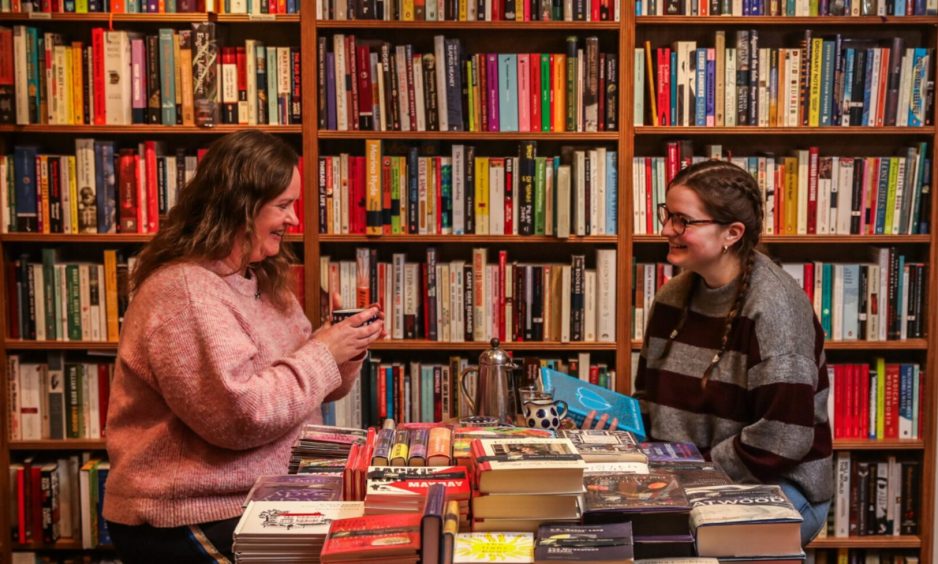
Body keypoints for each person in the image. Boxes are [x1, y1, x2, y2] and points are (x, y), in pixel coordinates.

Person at [103, 130, 384, 563]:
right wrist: (323, 353)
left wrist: (345, 349)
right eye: (283, 206)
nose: (294, 221)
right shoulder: (185, 292)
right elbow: (240, 416)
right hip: (188, 516)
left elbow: (308, 390)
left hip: (261, 499)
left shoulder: (262, 280)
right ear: (241, 207)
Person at [587, 159, 833, 546]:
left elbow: (782, 441)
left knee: (663, 544)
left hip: (775, 486)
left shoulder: (776, 308)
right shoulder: (672, 297)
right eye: (667, 216)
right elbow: (650, 405)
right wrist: (618, 435)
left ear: (731, 233)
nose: (667, 230)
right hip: (687, 478)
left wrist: (686, 475)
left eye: (684, 220)